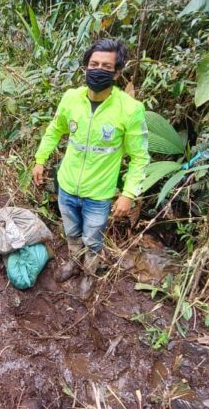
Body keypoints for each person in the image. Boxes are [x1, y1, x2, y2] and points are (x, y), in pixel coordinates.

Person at [32, 39, 150, 300]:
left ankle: (89, 273)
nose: (98, 69)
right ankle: (75, 262)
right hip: (67, 185)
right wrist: (40, 159)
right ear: (85, 67)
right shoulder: (71, 98)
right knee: (72, 232)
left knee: (93, 239)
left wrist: (128, 194)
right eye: (93, 64)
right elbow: (54, 130)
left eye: (106, 66)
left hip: (99, 194)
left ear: (117, 73)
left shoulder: (130, 109)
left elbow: (140, 157)